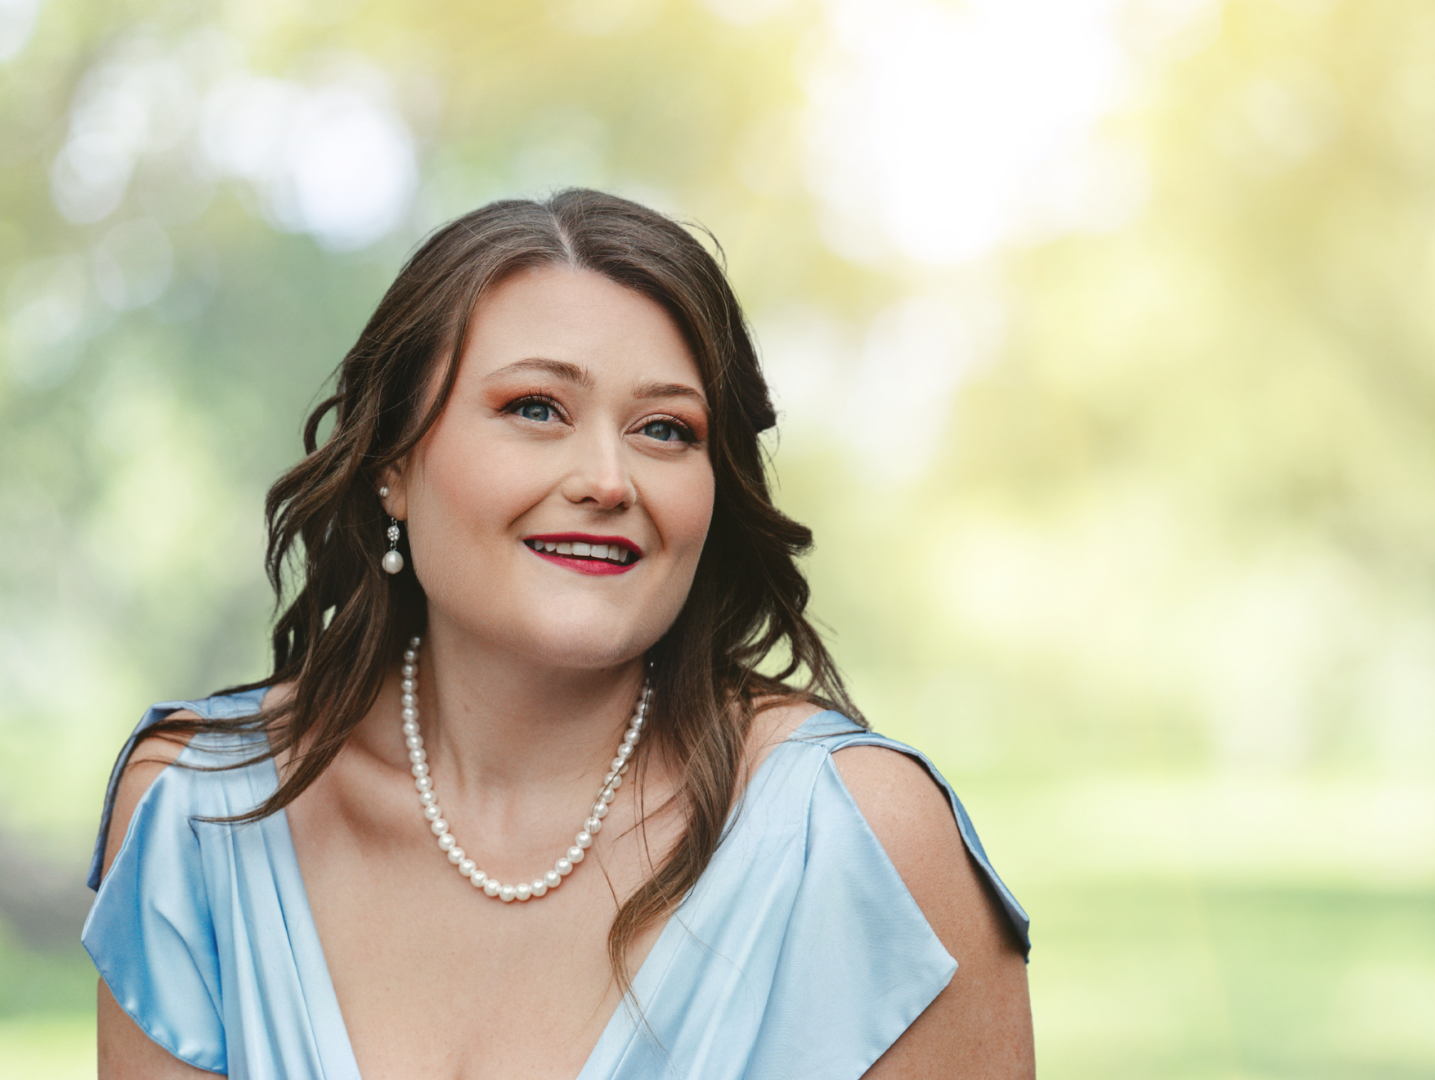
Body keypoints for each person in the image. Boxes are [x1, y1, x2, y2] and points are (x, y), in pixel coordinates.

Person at [83, 189, 1034, 1079]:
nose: (608, 481)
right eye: (535, 409)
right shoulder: (195, 812)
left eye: (666, 429)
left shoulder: (863, 841)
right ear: (392, 466)